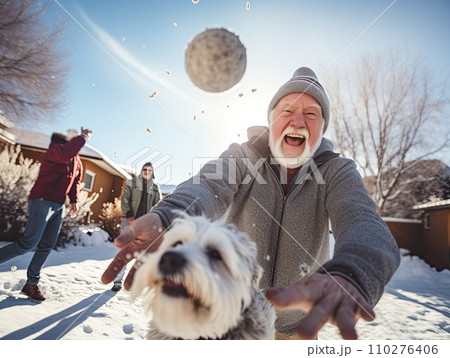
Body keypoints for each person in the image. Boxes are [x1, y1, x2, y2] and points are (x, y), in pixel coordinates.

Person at [101, 67, 400, 339]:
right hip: (229, 314)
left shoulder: (337, 171)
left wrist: (354, 271)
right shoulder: (242, 157)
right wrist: (169, 216)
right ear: (271, 120)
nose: (298, 120)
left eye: (311, 114)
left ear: (322, 129)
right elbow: (207, 186)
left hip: (297, 329)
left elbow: (361, 219)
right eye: (287, 110)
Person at [0, 127, 93, 303]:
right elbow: (67, 153)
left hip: (58, 205)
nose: (75, 138)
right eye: (73, 136)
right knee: (28, 244)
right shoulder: (56, 148)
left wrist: (74, 200)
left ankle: (31, 284)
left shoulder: (76, 159)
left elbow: (75, 181)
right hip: (42, 200)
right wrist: (83, 137)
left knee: (47, 246)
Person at [111, 162, 161, 292]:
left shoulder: (155, 188)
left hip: (146, 227)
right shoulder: (132, 183)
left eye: (150, 170)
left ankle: (136, 281)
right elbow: (125, 199)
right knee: (125, 251)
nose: (147, 172)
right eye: (145, 169)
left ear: (152, 172)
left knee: (143, 254)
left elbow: (158, 206)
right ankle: (117, 281)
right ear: (141, 170)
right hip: (130, 223)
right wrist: (129, 215)